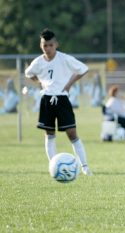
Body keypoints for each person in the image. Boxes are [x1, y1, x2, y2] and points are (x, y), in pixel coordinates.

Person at [24, 28, 92, 175]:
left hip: (61, 100)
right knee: (49, 134)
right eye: (44, 45)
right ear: (41, 45)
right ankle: (54, 167)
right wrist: (39, 83)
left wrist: (68, 84)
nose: (47, 48)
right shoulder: (38, 62)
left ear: (56, 44)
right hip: (46, 99)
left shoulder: (64, 58)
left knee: (72, 133)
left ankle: (85, 167)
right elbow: (28, 73)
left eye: (50, 45)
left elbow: (83, 69)